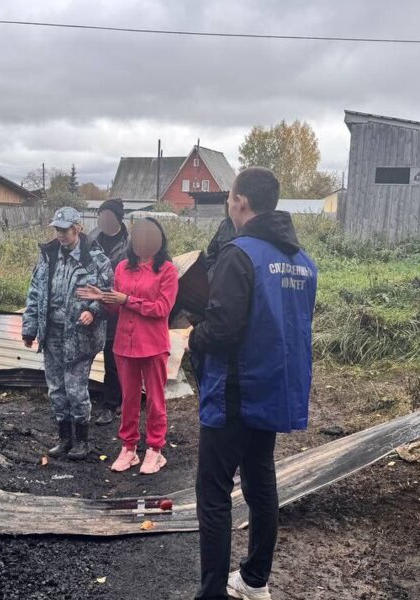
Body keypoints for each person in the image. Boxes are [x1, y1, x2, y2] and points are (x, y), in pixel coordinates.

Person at [188, 168, 317, 600]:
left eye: (229, 199)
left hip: (234, 392)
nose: (228, 205)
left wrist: (193, 336)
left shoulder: (238, 253)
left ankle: (212, 593)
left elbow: (222, 329)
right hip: (273, 390)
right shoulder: (303, 262)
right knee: (261, 485)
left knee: (214, 492)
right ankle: (255, 580)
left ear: (240, 201)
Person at [81, 218, 179, 474]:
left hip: (153, 345)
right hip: (125, 344)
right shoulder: (122, 268)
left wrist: (128, 299)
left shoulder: (167, 270)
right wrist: (102, 298)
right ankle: (129, 448)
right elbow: (115, 307)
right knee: (129, 399)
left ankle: (155, 450)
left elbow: (162, 309)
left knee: (156, 400)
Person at [22, 206, 113, 461]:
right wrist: (30, 328)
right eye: (57, 229)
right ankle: (64, 438)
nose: (60, 235)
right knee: (56, 388)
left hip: (81, 335)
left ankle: (82, 440)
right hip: (51, 332)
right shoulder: (48, 256)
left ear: (78, 229)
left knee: (76, 388)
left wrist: (94, 311)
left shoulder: (96, 259)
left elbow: (108, 294)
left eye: (64, 230)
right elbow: (35, 293)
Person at [91, 199, 130, 426]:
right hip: (94, 306)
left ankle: (112, 404)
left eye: (108, 215)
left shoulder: (130, 243)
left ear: (118, 218)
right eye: (101, 214)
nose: (104, 219)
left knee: (114, 359)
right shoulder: (91, 239)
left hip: (118, 308)